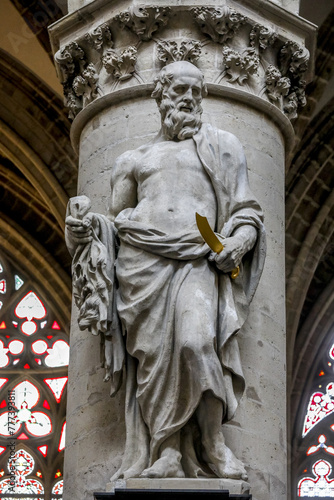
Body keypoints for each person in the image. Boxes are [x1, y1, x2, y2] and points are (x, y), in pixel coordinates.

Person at [65, 61, 266, 482]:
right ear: (160, 96)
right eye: (179, 90)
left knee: (196, 343)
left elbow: (247, 211)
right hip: (141, 266)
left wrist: (238, 243)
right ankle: (167, 450)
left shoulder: (222, 147)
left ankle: (212, 443)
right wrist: (86, 228)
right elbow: (114, 222)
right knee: (152, 360)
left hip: (196, 259)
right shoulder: (133, 159)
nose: (189, 99)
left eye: (196, 92)